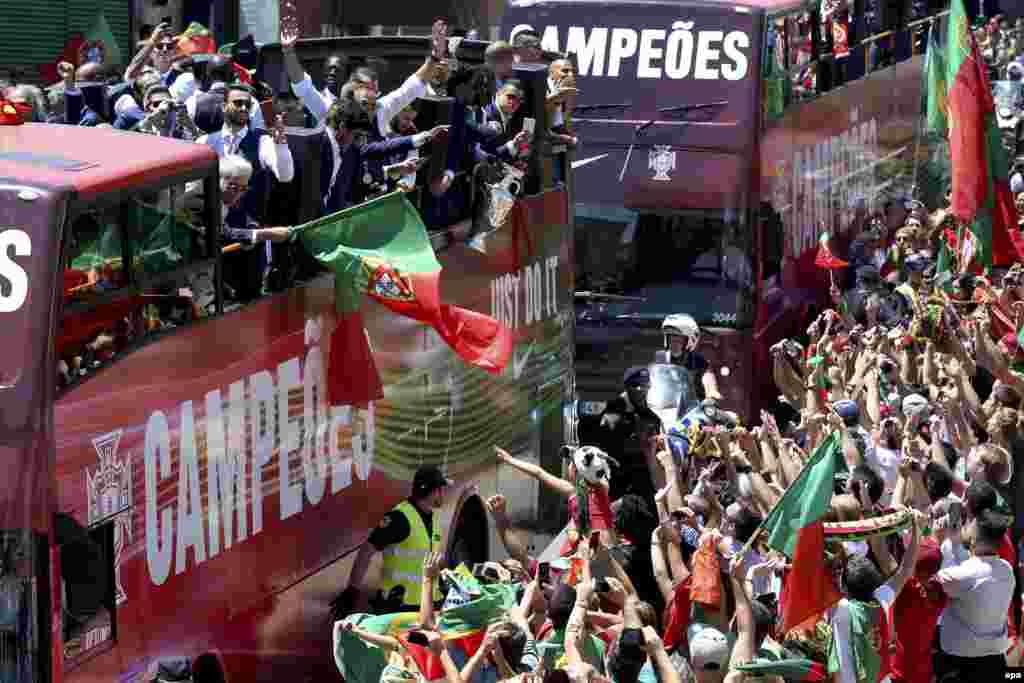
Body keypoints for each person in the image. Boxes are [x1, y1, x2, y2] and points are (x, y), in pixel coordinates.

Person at [337, 464, 453, 615]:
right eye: (440, 489)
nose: (444, 494)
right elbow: (367, 550)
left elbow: (428, 556)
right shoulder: (399, 518)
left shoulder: (434, 518)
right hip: (399, 608)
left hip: (428, 606)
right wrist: (352, 589)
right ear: (430, 491)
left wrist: (446, 577)